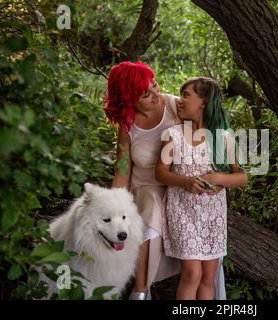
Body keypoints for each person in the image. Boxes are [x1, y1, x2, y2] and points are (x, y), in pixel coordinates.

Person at [103, 62, 227, 300]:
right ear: (129, 99)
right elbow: (123, 169)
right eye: (146, 94)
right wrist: (113, 207)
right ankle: (140, 289)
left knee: (175, 203)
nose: (156, 95)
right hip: (147, 186)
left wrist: (217, 175)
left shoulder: (173, 106)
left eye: (155, 86)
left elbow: (207, 137)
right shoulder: (127, 125)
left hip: (179, 183)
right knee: (151, 207)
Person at [155, 77, 248, 299]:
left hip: (212, 216)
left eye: (186, 95)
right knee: (192, 273)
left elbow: (242, 178)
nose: (180, 100)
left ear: (203, 102)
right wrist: (186, 182)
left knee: (208, 276)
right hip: (182, 211)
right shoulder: (174, 135)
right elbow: (159, 173)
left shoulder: (223, 137)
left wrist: (218, 178)